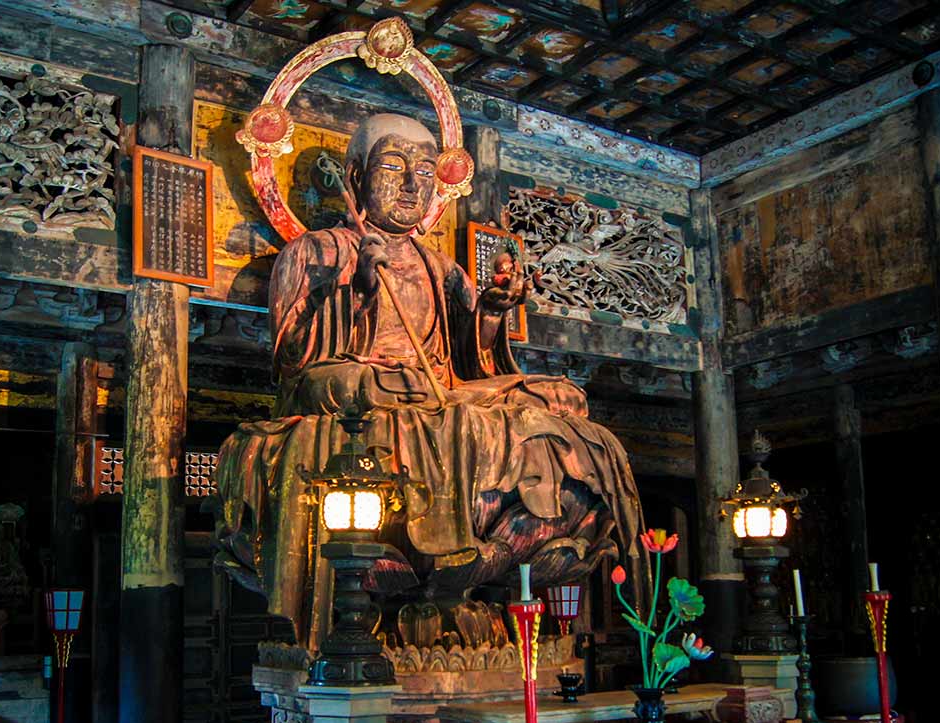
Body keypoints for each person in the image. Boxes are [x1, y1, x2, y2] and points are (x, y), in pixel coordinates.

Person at [214, 113, 641, 646]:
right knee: (362, 390)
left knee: (559, 396)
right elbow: (294, 364)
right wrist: (356, 293)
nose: (413, 184)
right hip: (360, 384)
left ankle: (476, 541)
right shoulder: (317, 251)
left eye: (424, 170)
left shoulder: (442, 269)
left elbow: (467, 367)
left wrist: (489, 313)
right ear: (354, 177)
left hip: (435, 390)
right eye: (393, 166)